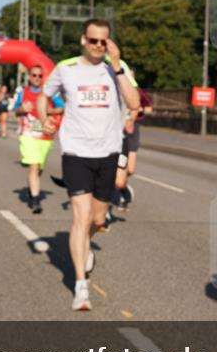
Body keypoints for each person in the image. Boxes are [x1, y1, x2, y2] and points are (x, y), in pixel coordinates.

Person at [39, 18, 140, 311]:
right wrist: (45, 116)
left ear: (109, 42)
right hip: (76, 152)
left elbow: (134, 103)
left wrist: (118, 65)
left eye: (103, 41)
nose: (98, 46)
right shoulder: (66, 69)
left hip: (108, 152)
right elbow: (43, 96)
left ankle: (86, 248)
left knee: (97, 220)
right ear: (83, 39)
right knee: (80, 219)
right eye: (93, 40)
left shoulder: (117, 70)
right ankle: (80, 286)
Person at [15, 66, 64, 214]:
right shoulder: (23, 93)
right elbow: (16, 111)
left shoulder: (49, 93)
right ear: (29, 77)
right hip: (28, 134)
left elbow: (62, 108)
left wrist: (49, 110)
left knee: (38, 169)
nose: (37, 78)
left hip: (45, 136)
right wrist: (22, 109)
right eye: (34, 75)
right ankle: (36, 201)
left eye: (39, 76)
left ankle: (32, 189)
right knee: (34, 166)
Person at [113, 65, 151, 211]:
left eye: (131, 76)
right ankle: (115, 191)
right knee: (112, 169)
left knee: (130, 168)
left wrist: (137, 109)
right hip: (116, 132)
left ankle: (122, 187)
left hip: (132, 131)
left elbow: (148, 108)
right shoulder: (115, 88)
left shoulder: (137, 92)